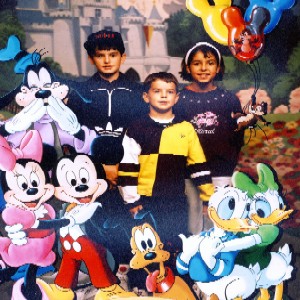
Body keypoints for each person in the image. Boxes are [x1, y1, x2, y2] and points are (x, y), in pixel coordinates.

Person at [117, 72, 214, 255]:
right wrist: (132, 201)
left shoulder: (186, 128)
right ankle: (145, 280)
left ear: (176, 98)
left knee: (176, 241)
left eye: (169, 92)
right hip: (146, 199)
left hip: (176, 198)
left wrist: (208, 197)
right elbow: (128, 168)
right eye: (157, 91)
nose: (163, 96)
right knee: (148, 244)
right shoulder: (136, 129)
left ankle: (176, 280)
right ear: (146, 96)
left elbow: (198, 166)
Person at [174, 42, 244, 234]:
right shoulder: (179, 99)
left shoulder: (228, 99)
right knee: (193, 223)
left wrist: (228, 161)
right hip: (189, 174)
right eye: (197, 63)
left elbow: (238, 135)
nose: (204, 68)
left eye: (210, 62)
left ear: (218, 67)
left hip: (221, 171)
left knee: (220, 221)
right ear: (188, 68)